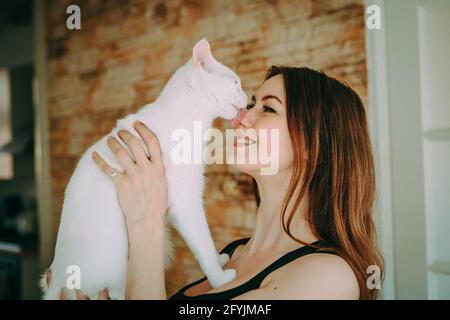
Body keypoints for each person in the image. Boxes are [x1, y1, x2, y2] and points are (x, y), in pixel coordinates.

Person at [57, 66, 384, 300]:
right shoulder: (231, 255)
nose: (241, 116)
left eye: (268, 108)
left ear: (315, 144)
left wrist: (145, 224)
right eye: (251, 103)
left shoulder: (327, 276)